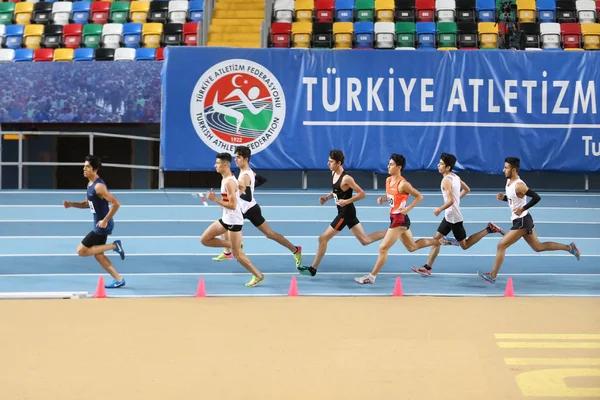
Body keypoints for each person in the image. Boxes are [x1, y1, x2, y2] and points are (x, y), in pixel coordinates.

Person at [477, 157, 581, 284]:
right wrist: (503, 198)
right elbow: (514, 200)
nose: (503, 170)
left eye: (506, 168)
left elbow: (536, 197)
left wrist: (523, 208)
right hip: (522, 220)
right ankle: (569, 248)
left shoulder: (519, 185)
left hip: (522, 221)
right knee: (538, 247)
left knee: (501, 245)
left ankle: (492, 276)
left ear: (513, 170)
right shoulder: (509, 182)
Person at [355, 154, 454, 285]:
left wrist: (408, 208)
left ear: (398, 167)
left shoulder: (404, 184)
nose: (388, 167)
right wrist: (383, 199)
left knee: (383, 248)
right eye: (388, 164)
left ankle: (371, 277)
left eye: (391, 165)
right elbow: (392, 196)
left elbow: (419, 196)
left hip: (400, 220)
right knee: (412, 247)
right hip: (394, 217)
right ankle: (440, 241)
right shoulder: (388, 180)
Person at [411, 152, 506, 276]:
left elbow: (450, 201)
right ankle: (428, 267)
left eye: (441, 164)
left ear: (448, 167)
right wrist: (456, 200)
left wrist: (439, 209)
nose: (438, 166)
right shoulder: (455, 177)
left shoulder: (446, 181)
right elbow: (467, 189)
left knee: (465, 245)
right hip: (449, 216)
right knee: (435, 240)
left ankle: (488, 229)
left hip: (454, 218)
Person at [297, 149, 387, 277]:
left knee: (323, 238)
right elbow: (336, 190)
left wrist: (347, 201)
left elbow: (362, 194)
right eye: (328, 161)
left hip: (345, 213)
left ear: (339, 163)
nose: (328, 164)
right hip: (346, 211)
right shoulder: (334, 173)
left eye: (331, 162)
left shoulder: (347, 178)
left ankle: (313, 269)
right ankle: (392, 232)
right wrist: (327, 198)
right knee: (365, 240)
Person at [212, 146, 303, 268]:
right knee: (225, 223)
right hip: (244, 208)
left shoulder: (245, 175)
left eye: (238, 157)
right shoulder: (249, 172)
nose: (236, 160)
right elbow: (262, 179)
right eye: (235, 157)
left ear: (246, 159)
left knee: (269, 234)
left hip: (250, 209)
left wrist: (232, 197)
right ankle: (228, 252)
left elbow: (248, 197)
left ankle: (295, 250)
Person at [200, 152, 265, 287]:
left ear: (224, 165)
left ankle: (258, 275)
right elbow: (241, 188)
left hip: (234, 221)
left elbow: (233, 205)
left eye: (217, 163)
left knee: (237, 254)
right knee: (205, 239)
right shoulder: (229, 178)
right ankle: (233, 245)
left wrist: (216, 200)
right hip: (226, 219)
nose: (214, 166)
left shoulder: (229, 181)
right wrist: (226, 201)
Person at [62, 155, 126, 289]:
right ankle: (119, 279)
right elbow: (87, 204)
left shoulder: (99, 187)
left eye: (87, 167)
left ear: (95, 169)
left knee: (81, 251)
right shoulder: (90, 184)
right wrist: (72, 204)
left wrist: (105, 220)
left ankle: (114, 246)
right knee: (98, 255)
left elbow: (116, 203)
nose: (84, 169)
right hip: (99, 225)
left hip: (102, 226)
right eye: (84, 166)